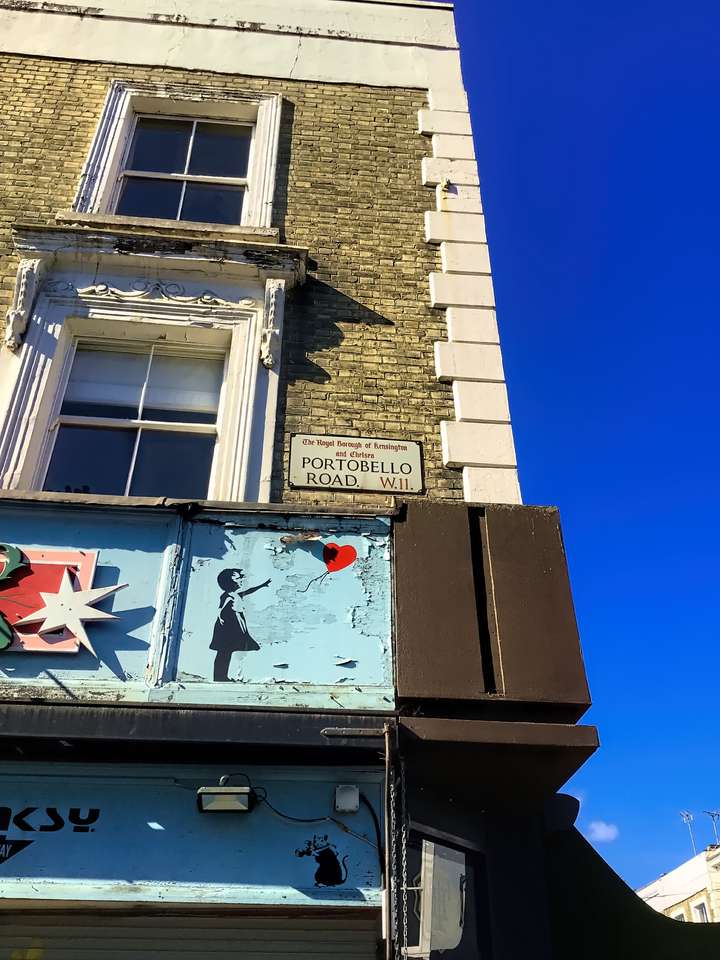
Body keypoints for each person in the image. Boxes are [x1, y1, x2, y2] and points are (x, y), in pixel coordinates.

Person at [210, 568, 271, 682]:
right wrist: (220, 616)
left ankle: (221, 677)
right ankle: (219, 677)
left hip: (234, 624)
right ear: (229, 582)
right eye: (238, 578)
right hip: (227, 626)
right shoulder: (228, 595)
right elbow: (221, 607)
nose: (241, 580)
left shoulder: (237, 594)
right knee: (224, 652)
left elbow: (249, 590)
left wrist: (263, 585)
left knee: (226, 652)